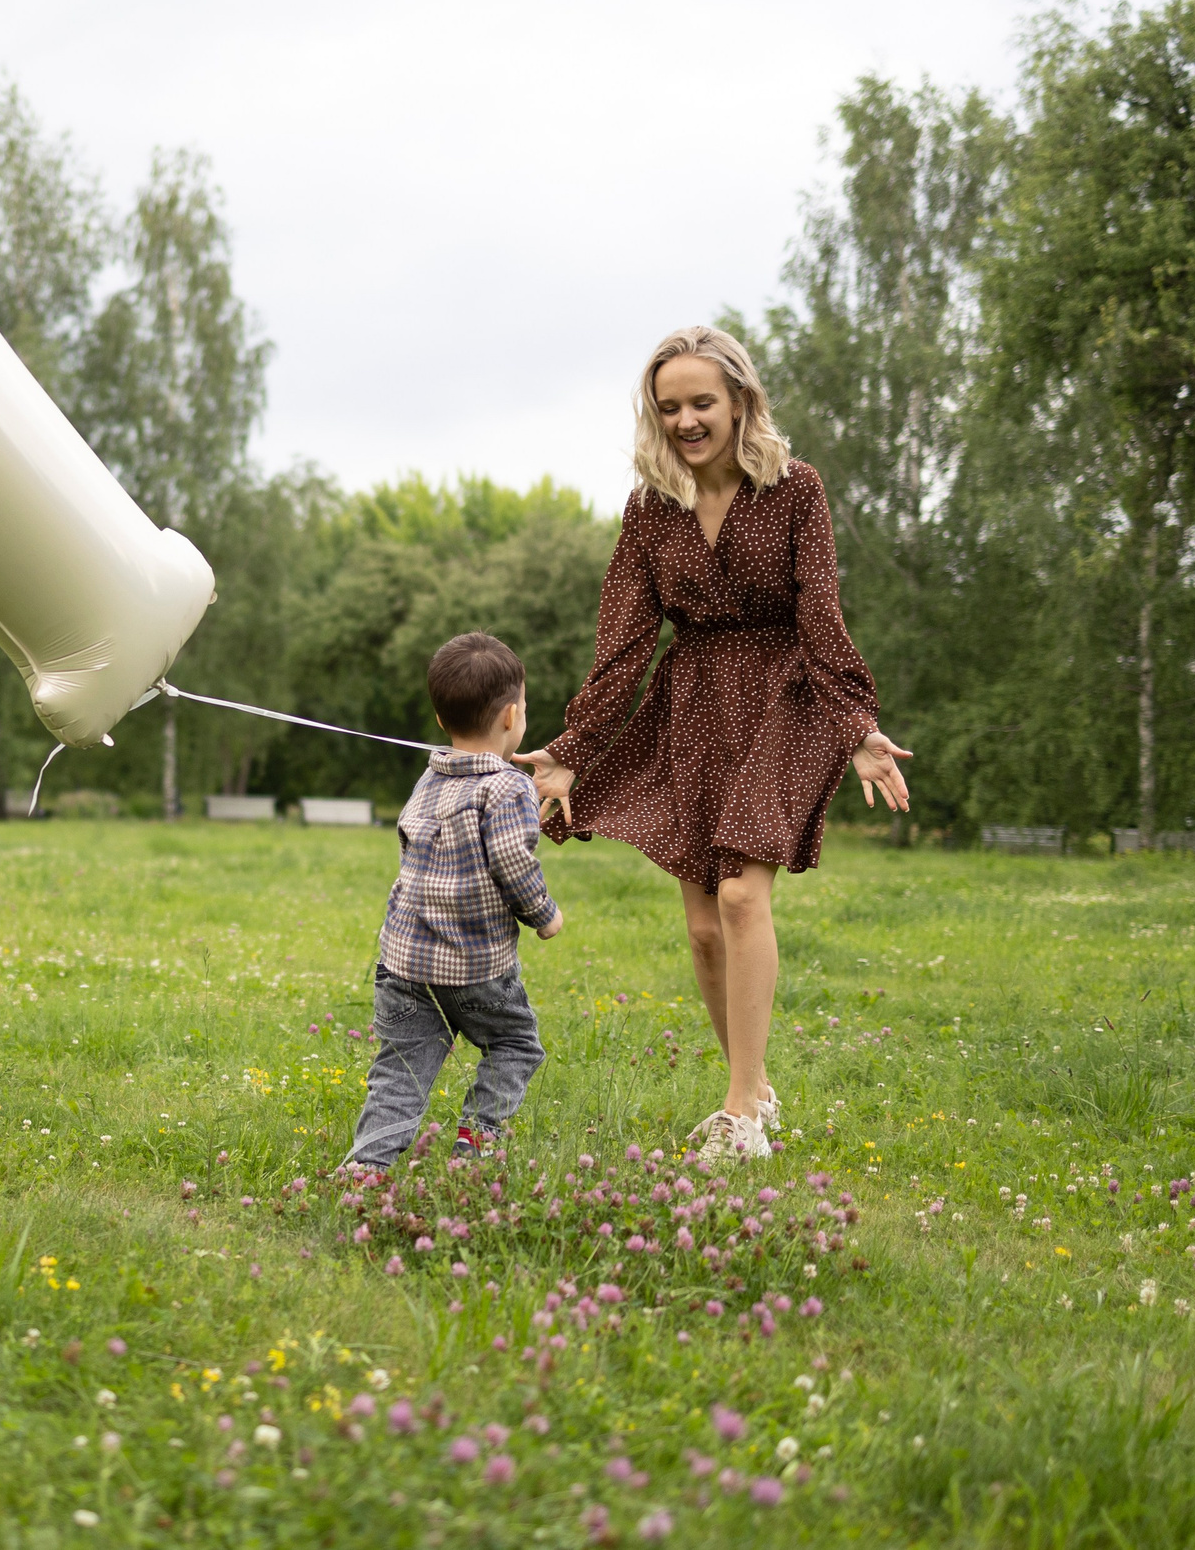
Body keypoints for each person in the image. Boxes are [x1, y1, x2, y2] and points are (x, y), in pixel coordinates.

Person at [513, 326, 912, 1159]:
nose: (687, 420)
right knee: (701, 927)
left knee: (740, 897)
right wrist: (574, 745)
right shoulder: (650, 509)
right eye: (670, 408)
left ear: (739, 401)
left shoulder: (796, 489)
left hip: (786, 699)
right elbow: (624, 638)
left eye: (702, 402)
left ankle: (737, 1114)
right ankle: (756, 1090)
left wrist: (857, 727)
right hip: (691, 704)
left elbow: (821, 619)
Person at [343, 632, 565, 1171]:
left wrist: (522, 817)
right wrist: (545, 915)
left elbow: (459, 840)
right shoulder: (507, 787)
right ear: (512, 716)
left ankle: (365, 1171)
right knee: (515, 1047)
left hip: (404, 961)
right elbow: (511, 862)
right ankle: (474, 1147)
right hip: (474, 966)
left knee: (401, 1069)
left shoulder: (430, 775)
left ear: (442, 720)